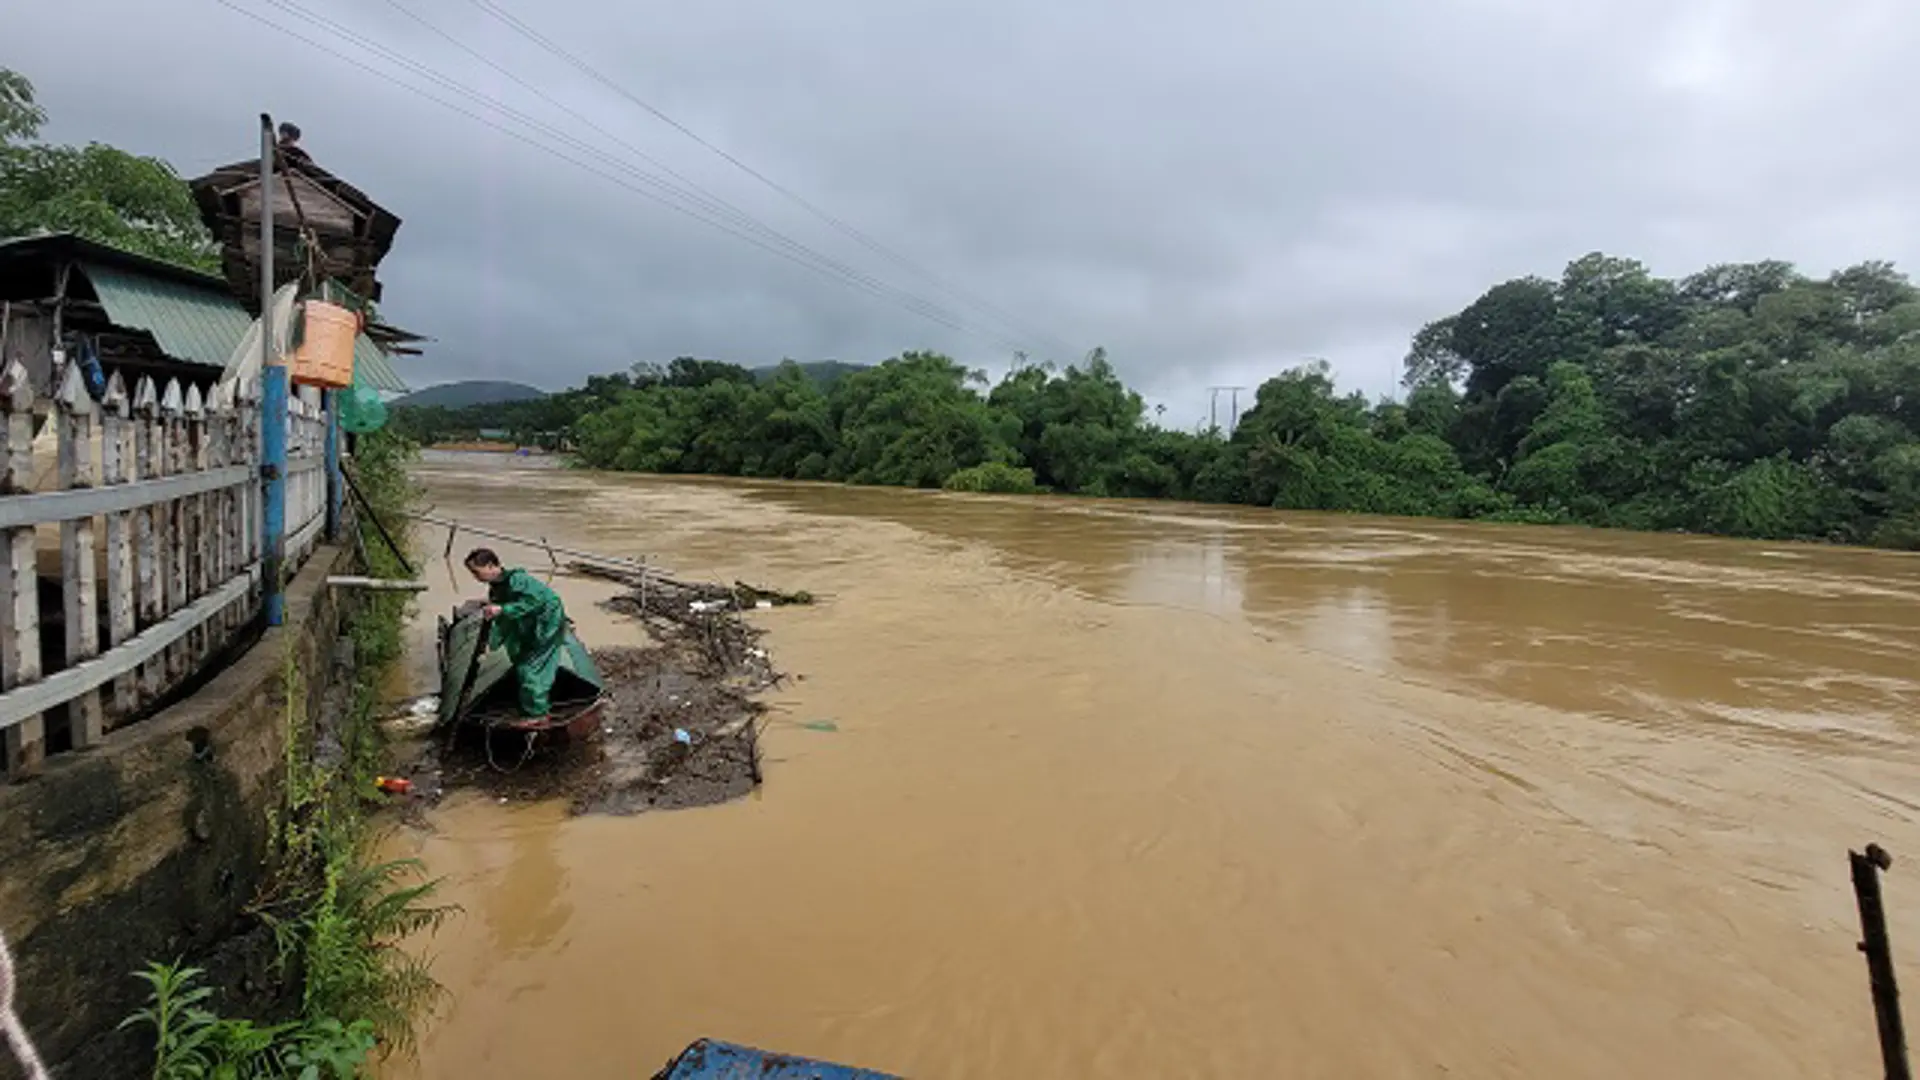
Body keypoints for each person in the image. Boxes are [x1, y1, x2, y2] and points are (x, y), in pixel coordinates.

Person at [463, 548, 568, 723]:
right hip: (528, 625)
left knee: (529, 668)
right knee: (520, 659)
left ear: (490, 566)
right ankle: (529, 706)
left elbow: (533, 601)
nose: (475, 577)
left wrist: (503, 609)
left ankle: (538, 714)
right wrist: (490, 644)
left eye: (476, 572)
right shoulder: (497, 588)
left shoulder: (518, 580)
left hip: (547, 621)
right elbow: (502, 621)